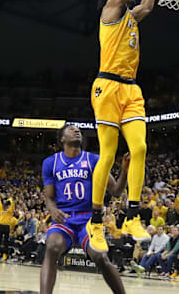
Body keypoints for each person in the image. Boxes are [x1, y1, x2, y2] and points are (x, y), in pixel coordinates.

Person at [86, 0, 163, 252]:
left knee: (140, 147)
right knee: (108, 153)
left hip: (131, 89)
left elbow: (148, 4)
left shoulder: (131, 16)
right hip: (107, 87)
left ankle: (132, 215)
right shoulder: (110, 8)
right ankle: (95, 221)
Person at [40, 124, 130, 294]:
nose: (76, 131)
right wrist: (52, 209)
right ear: (62, 139)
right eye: (71, 129)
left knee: (101, 257)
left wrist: (124, 171)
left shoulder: (94, 160)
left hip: (89, 219)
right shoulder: (50, 163)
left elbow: (116, 191)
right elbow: (49, 197)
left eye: (79, 130)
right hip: (64, 218)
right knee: (51, 247)